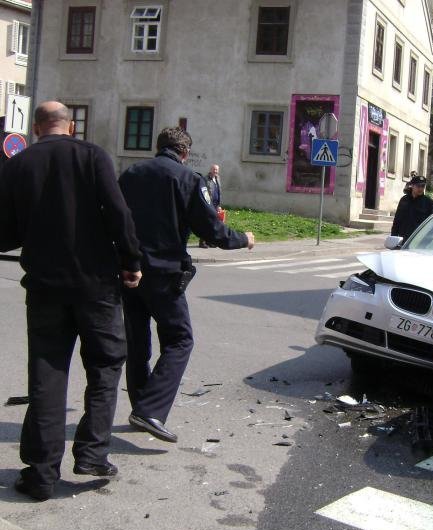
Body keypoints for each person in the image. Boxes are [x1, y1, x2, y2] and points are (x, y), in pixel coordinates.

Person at [0, 101, 142, 501]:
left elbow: (5, 234)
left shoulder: (17, 165)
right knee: (106, 365)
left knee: (47, 376)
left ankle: (41, 474)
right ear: (71, 126)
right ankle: (93, 452)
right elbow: (119, 213)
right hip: (97, 285)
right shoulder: (92, 156)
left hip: (45, 287)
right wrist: (131, 261)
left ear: (36, 127)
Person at [119, 127, 254, 444]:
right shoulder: (188, 179)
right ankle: (150, 410)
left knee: (137, 344)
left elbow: (111, 217)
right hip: (165, 274)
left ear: (158, 147)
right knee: (180, 340)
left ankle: (141, 406)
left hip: (130, 270)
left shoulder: (130, 174)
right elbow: (213, 231)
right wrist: (244, 239)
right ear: (184, 152)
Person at [391, 174, 433, 241]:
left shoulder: (428, 202)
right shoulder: (404, 200)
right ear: (412, 185)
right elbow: (397, 220)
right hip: (404, 239)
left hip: (419, 240)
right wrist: (393, 237)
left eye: (423, 186)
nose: (420, 188)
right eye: (418, 186)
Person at [199, 164, 222, 248]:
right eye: (214, 169)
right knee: (206, 222)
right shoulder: (205, 179)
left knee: (213, 223)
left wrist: (219, 205)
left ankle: (209, 241)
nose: (215, 171)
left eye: (217, 170)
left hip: (216, 205)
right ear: (211, 170)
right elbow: (204, 192)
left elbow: (219, 192)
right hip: (208, 204)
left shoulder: (217, 178)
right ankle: (202, 242)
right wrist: (206, 203)